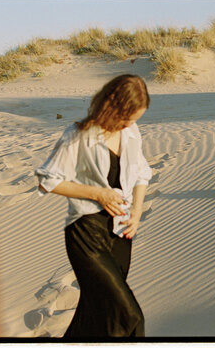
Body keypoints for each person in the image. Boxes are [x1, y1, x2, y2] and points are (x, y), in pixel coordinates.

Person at [35, 74, 152, 337]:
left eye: (135, 119)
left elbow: (143, 172)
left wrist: (137, 212)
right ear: (112, 108)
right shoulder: (78, 136)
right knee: (129, 315)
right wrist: (97, 194)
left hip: (121, 234)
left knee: (98, 312)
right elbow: (47, 181)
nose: (130, 125)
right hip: (86, 234)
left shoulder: (132, 132)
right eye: (126, 118)